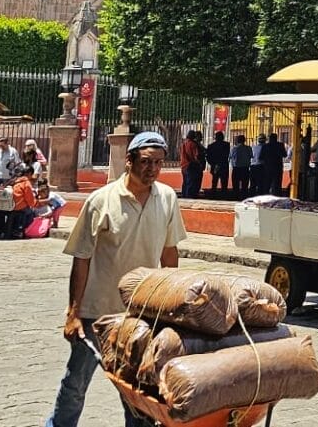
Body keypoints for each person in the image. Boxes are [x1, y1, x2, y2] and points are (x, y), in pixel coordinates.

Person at [45, 130, 187, 427]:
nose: (153, 169)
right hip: (97, 313)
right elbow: (81, 257)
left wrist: (171, 308)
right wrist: (73, 313)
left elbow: (169, 253)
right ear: (129, 160)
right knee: (75, 384)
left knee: (137, 391)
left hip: (140, 315)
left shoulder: (167, 198)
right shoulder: (101, 200)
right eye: (147, 162)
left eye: (159, 163)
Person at [178, 130, 204, 199]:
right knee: (191, 183)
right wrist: (199, 163)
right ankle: (189, 198)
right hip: (191, 165)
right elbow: (196, 156)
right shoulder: (193, 144)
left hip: (183, 165)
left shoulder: (183, 143)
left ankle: (184, 196)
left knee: (185, 183)